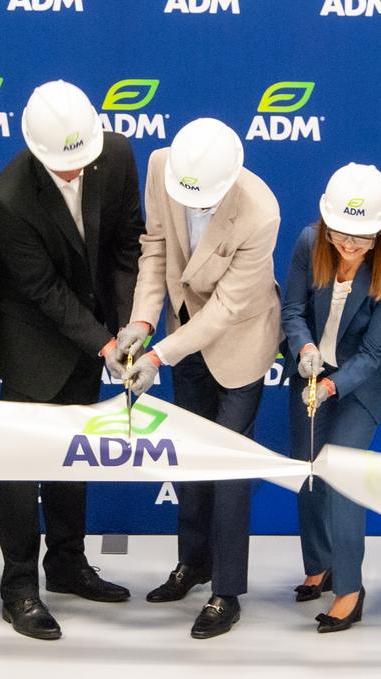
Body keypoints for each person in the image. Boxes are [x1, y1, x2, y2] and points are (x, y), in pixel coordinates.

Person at [111, 118, 281, 639]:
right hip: (180, 334)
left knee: (228, 469)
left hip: (240, 342)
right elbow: (156, 250)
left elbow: (227, 309)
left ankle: (225, 591)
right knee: (189, 460)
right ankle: (193, 563)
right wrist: (142, 323)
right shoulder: (164, 168)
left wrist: (158, 356)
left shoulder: (260, 211)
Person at [0, 80, 143, 641]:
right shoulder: (9, 196)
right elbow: (43, 289)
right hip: (34, 333)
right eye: (63, 167)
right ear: (36, 151)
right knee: (22, 466)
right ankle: (18, 587)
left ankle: (68, 565)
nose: (76, 172)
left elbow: (128, 245)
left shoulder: (117, 153)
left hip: (98, 322)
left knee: (73, 456)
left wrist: (127, 328)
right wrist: (104, 344)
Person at [281, 163, 381, 633]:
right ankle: (320, 564)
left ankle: (350, 590)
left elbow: (375, 352)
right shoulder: (306, 243)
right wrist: (306, 348)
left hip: (362, 385)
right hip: (311, 373)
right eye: (340, 236)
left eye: (362, 239)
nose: (350, 247)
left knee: (342, 476)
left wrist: (334, 384)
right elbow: (292, 310)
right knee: (308, 470)